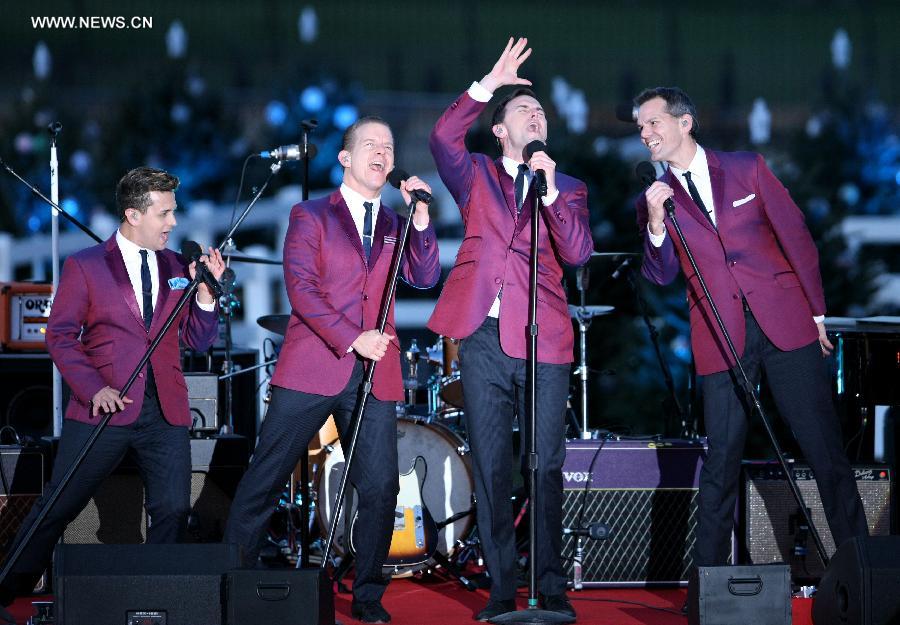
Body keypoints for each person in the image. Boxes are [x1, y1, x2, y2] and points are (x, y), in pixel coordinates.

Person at [633, 87, 869, 576]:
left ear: (685, 123)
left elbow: (796, 236)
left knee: (824, 450)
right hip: (721, 339)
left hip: (784, 324)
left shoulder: (747, 168)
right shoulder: (655, 198)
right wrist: (655, 225)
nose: (645, 133)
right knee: (721, 461)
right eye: (640, 127)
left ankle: (861, 567)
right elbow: (659, 275)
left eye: (653, 122)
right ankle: (710, 583)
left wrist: (817, 314)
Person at [224, 116, 440, 624]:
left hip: (374, 373)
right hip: (314, 364)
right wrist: (351, 336)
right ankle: (233, 577)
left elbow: (425, 276)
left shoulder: (396, 222)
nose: (382, 154)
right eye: (370, 145)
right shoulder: (311, 215)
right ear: (345, 158)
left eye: (388, 146)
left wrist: (424, 222)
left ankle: (367, 593)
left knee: (382, 485)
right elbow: (303, 290)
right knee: (267, 474)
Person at [0, 166, 224, 614]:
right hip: (104, 406)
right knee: (58, 505)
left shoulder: (179, 265)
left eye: (173, 213)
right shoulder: (86, 265)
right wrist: (93, 388)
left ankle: (158, 599)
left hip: (164, 410)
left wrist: (205, 297)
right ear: (132, 214)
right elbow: (59, 336)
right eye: (164, 214)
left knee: (174, 509)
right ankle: (8, 589)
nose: (173, 223)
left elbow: (198, 341)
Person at [427, 38, 593, 622]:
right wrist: (490, 84)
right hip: (480, 338)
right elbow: (441, 139)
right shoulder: (474, 174)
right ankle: (502, 587)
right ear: (500, 129)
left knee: (545, 463)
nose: (537, 115)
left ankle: (550, 586)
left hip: (543, 339)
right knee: (494, 464)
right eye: (525, 110)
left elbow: (576, 254)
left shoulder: (567, 187)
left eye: (542, 112)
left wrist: (550, 192)